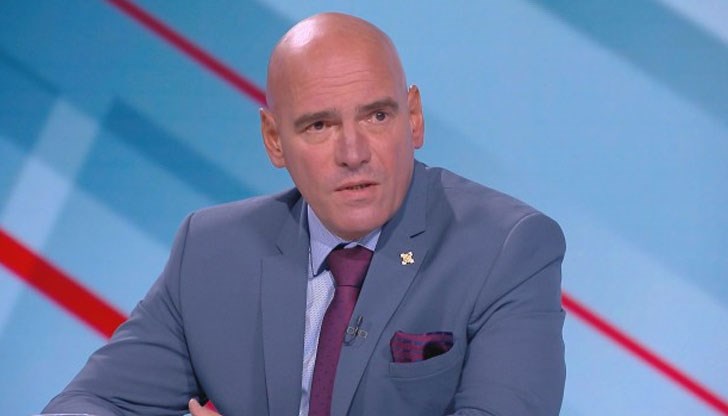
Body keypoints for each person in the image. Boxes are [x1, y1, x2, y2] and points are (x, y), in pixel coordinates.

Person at [43, 12, 566, 416]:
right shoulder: (210, 250)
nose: (353, 153)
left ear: (414, 118)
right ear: (274, 140)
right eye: (319, 126)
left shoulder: (507, 249)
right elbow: (87, 404)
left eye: (377, 115)